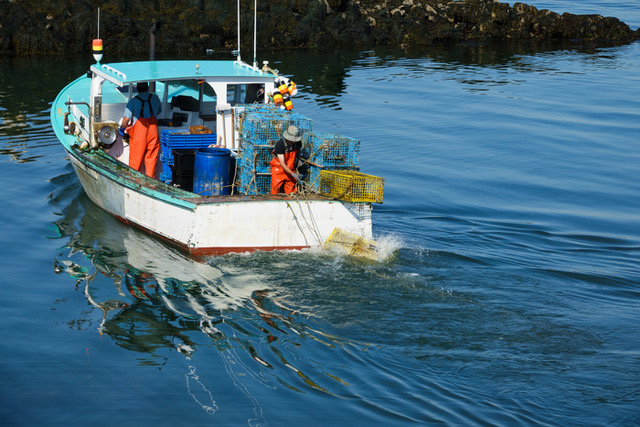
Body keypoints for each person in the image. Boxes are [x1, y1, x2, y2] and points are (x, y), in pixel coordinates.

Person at [119, 82, 162, 178]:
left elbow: (126, 119)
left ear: (137, 89)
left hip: (139, 134)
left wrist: (121, 128)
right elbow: (158, 113)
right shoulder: (155, 98)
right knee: (151, 157)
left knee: (136, 159)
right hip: (153, 130)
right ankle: (150, 183)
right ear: (147, 88)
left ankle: (134, 180)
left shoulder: (133, 101)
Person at [270, 125, 304, 195]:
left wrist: (299, 160)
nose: (293, 141)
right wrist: (293, 174)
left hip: (291, 168)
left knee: (291, 191)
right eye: (291, 139)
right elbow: (282, 164)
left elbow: (298, 152)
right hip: (279, 169)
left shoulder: (297, 143)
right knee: (275, 189)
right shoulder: (280, 145)